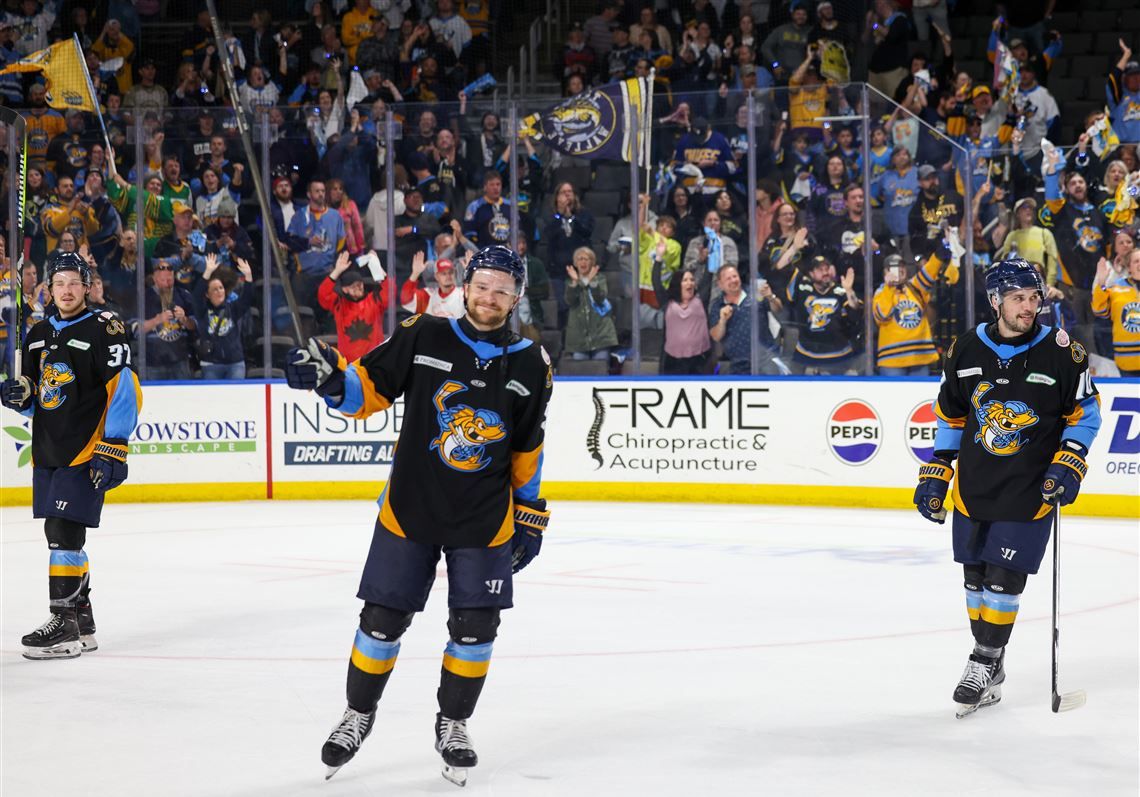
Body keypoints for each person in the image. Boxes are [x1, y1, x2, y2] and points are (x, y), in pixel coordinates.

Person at [284, 245, 551, 786]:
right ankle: (358, 714)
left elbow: (527, 448)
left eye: (502, 290)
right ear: (468, 287)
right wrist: (331, 378)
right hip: (410, 509)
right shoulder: (424, 333)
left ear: (516, 297)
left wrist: (531, 512)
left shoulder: (530, 363)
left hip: (485, 520)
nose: (490, 297)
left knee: (477, 629)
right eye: (483, 286)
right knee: (381, 621)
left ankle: (453, 723)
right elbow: (369, 387)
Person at [913, 257, 1102, 718]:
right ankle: (992, 664)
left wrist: (1070, 461)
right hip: (975, 486)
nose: (1029, 306)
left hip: (1030, 487)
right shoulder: (965, 349)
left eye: (1034, 297)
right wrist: (938, 469)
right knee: (975, 579)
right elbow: (952, 415)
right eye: (1019, 298)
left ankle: (983, 660)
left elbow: (1086, 414)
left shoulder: (1063, 351)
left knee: (1003, 580)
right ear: (996, 301)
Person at [0, 251, 142, 660]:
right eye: (58, 283)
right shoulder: (38, 333)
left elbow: (124, 388)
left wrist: (113, 445)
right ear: (48, 288)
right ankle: (81, 621)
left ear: (86, 287)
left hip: (85, 447)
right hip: (48, 446)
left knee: (63, 532)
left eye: (73, 283)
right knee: (63, 534)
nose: (66, 290)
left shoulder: (105, 328)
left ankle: (62, 624)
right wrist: (19, 395)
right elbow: (36, 397)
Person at [872, 245, 955, 375]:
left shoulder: (914, 286)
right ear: (885, 273)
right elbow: (882, 315)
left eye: (901, 266)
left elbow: (928, 272)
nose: (898, 270)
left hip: (920, 356)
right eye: (893, 267)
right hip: (892, 361)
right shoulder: (881, 292)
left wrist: (938, 257)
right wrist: (890, 288)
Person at [708, 264, 785, 376]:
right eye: (728, 278)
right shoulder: (717, 305)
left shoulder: (755, 293)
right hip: (739, 365)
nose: (733, 280)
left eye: (735, 276)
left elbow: (778, 310)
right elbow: (716, 336)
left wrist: (770, 297)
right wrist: (722, 321)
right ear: (720, 285)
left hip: (767, 359)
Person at [317, 250, 391, 363]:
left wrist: (377, 267)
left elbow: (389, 291)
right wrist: (336, 271)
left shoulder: (374, 300)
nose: (358, 288)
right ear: (344, 289)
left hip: (373, 363)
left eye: (360, 284)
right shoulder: (339, 304)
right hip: (348, 365)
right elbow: (323, 295)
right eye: (353, 286)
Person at [193, 254, 254, 380]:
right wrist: (208, 272)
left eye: (221, 288)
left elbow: (247, 299)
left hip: (235, 364)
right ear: (208, 294)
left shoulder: (233, 308)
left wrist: (248, 276)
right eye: (214, 289)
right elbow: (196, 296)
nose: (219, 291)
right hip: (211, 365)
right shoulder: (202, 311)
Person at [564, 247, 618, 362]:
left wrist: (591, 282)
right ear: (575, 263)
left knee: (600, 371)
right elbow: (570, 300)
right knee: (579, 373)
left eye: (586, 259)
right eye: (580, 259)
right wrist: (575, 282)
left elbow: (599, 298)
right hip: (578, 338)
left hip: (601, 336)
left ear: (592, 262)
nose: (583, 262)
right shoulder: (570, 282)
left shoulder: (600, 279)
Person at [1092, 253, 1140, 376]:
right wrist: (1101, 283)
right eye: (1136, 261)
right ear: (1129, 267)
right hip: (1127, 360)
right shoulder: (1117, 287)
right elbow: (1100, 311)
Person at [400, 251, 465, 319]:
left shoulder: (463, 293)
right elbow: (406, 300)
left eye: (450, 272)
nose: (448, 276)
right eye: (443, 273)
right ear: (436, 276)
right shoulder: (428, 295)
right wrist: (415, 274)